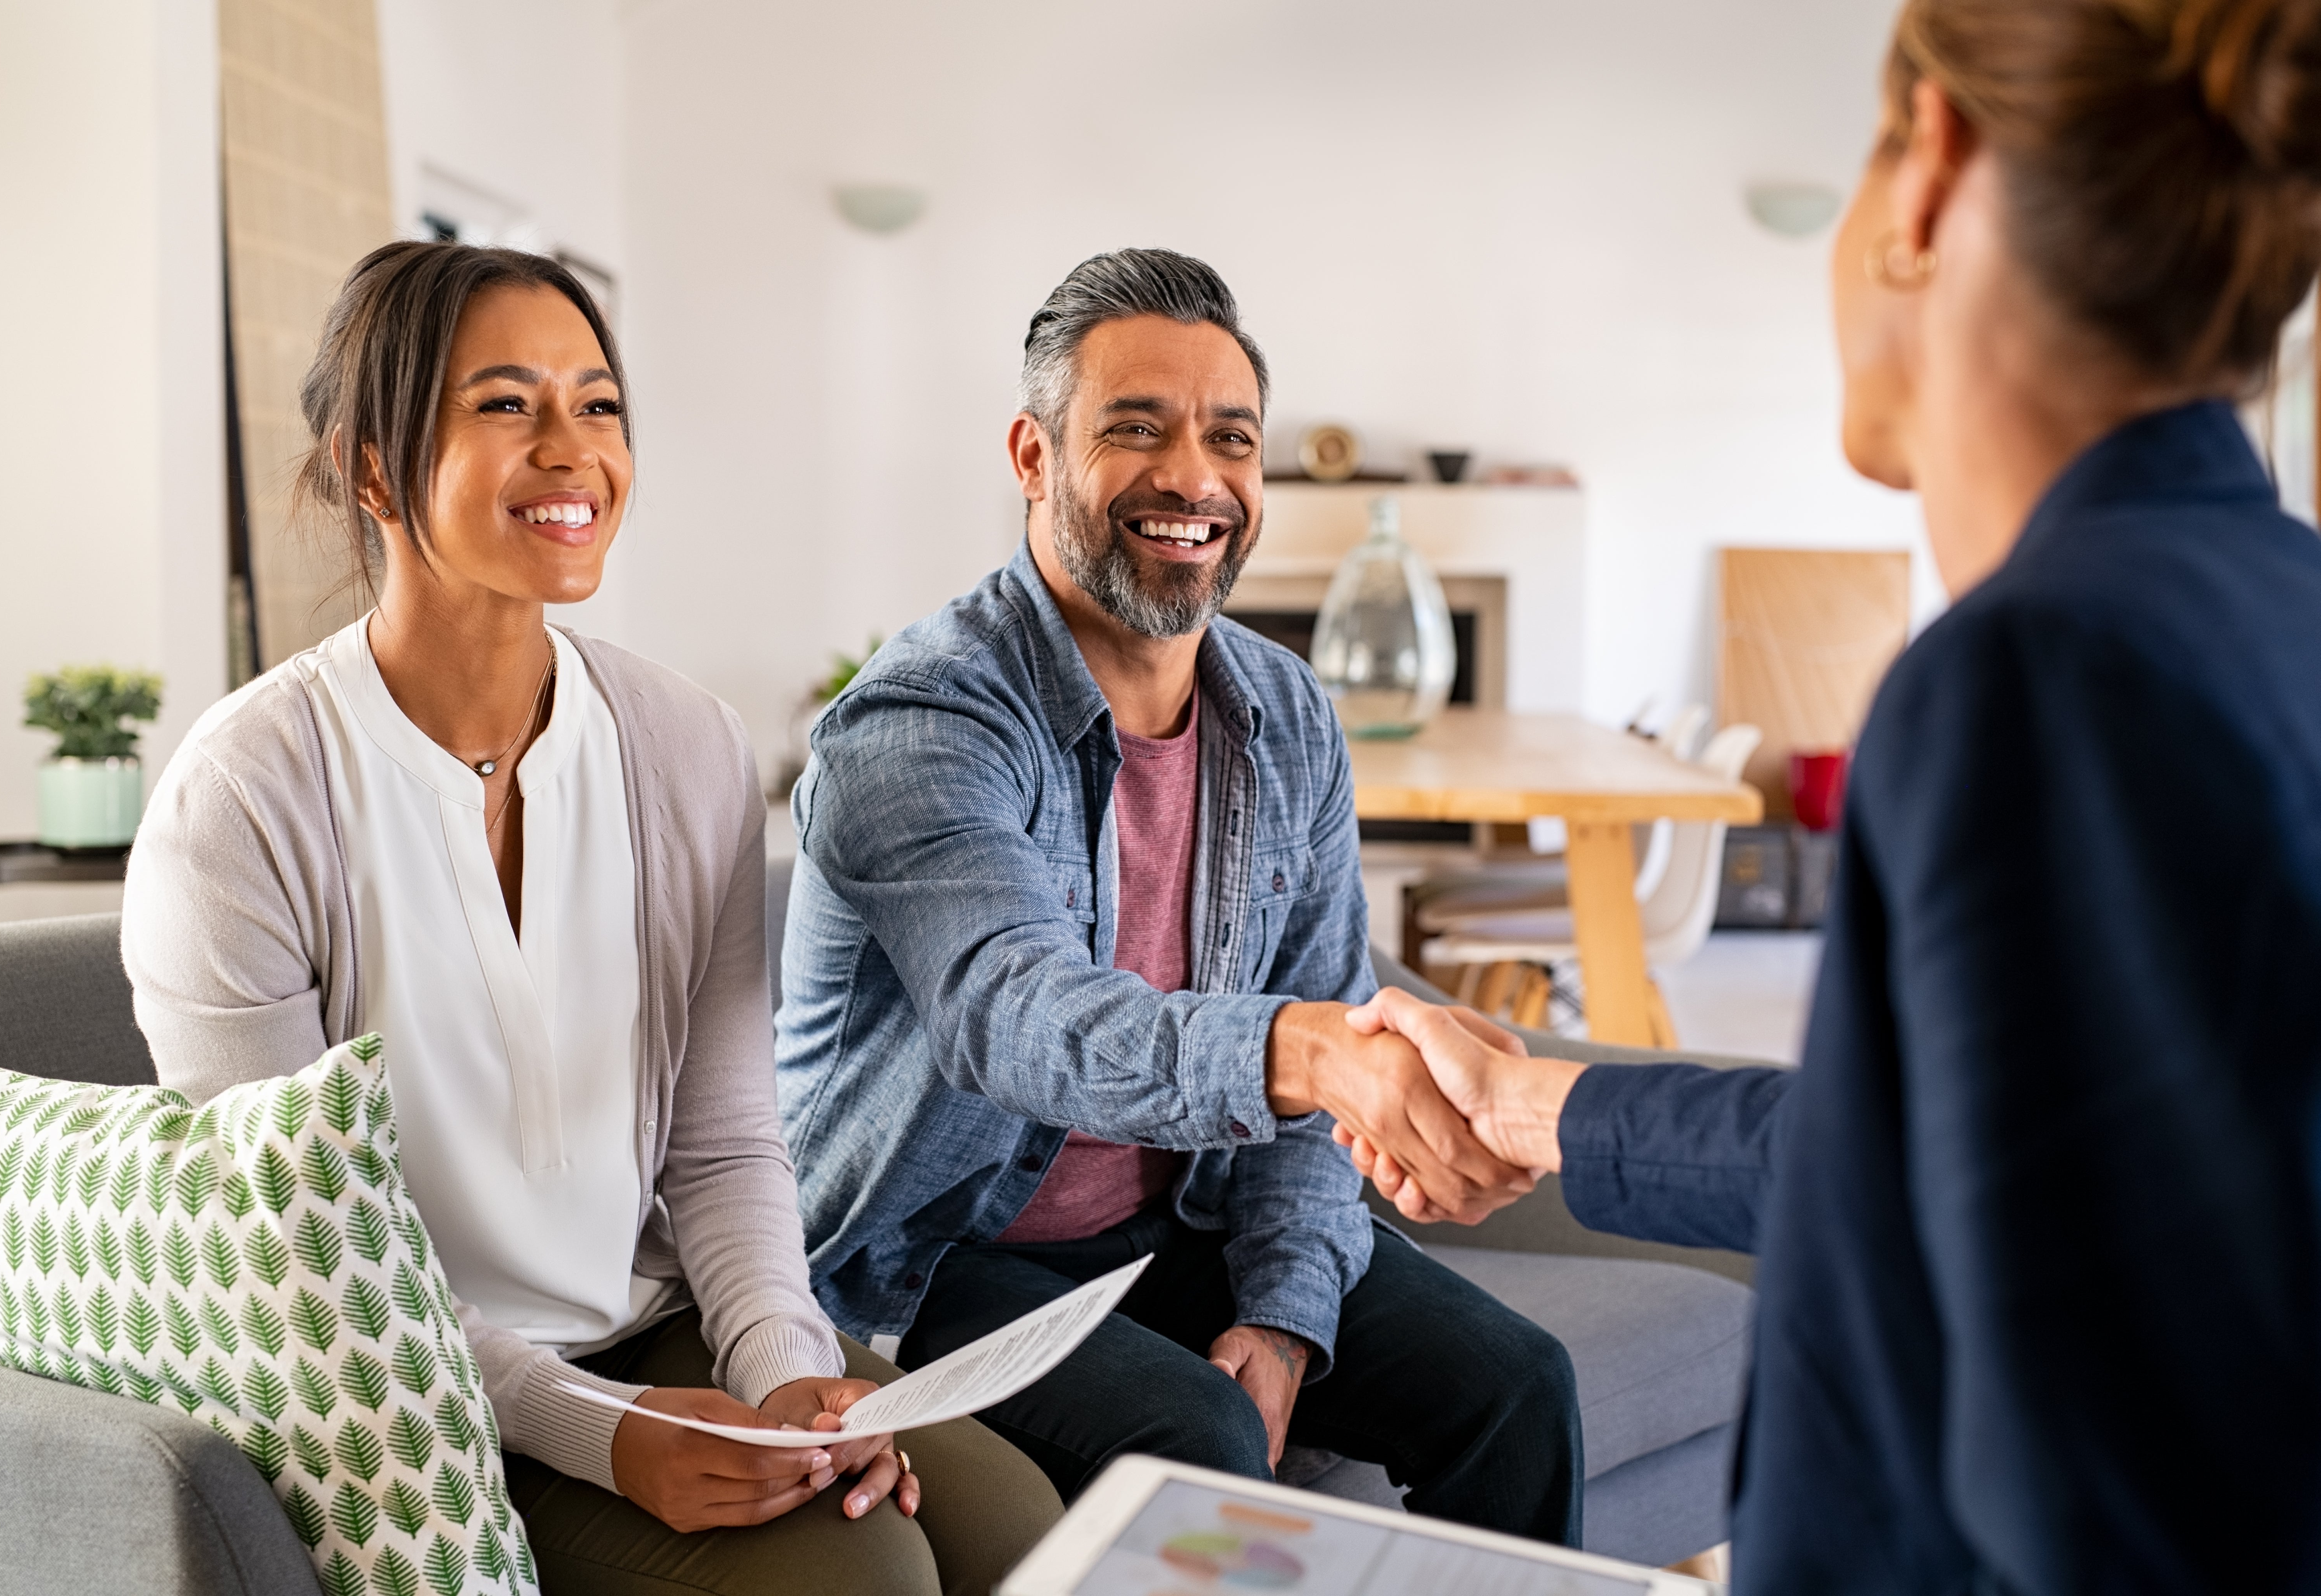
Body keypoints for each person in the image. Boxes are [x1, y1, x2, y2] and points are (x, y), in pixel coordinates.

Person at [1337, 0, 2321, 1588]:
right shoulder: (2277, 604)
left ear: (1927, 170)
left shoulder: (2045, 677)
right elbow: (1960, 1165)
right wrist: (1542, 1107)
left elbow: (2109, 1493)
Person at [121, 241, 1060, 1596]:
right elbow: (299, 1257)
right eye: (507, 405)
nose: (574, 451)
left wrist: (792, 1372)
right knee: (858, 1582)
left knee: (1015, 1524)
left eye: (600, 404)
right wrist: (601, 1437)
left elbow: (728, 1144)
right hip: (401, 1397)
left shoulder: (684, 746)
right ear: (375, 470)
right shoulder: (244, 797)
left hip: (650, 1326)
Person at [774, 248, 1579, 1545]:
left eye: (1230, 440)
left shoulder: (1286, 714)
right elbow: (1017, 1017)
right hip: (936, 1262)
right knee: (1193, 1441)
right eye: (1134, 431)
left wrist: (1282, 1311)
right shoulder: (922, 723)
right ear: (1033, 458)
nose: (1193, 480)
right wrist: (1305, 1048)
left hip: (1172, 1219)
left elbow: (1315, 1074)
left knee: (1518, 1391)